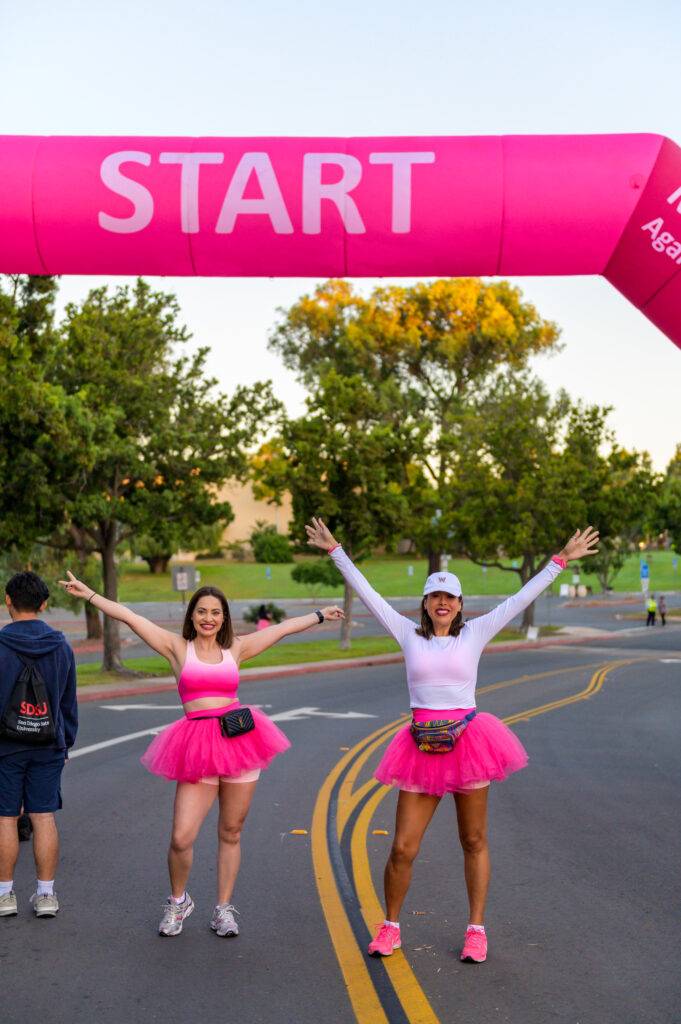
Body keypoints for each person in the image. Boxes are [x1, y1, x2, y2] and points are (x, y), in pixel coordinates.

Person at [305, 517, 599, 965]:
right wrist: (335, 551)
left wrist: (560, 560)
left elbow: (521, 598)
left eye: (450, 597)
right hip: (420, 746)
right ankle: (391, 927)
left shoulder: (476, 633)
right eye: (435, 597)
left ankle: (476, 930)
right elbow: (367, 591)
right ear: (425, 603)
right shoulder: (406, 633)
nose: (442, 603)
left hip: (469, 743)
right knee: (403, 846)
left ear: (460, 605)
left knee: (473, 840)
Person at [59, 571, 343, 938]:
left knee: (231, 831)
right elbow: (130, 616)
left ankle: (223, 909)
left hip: (239, 740)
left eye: (216, 612)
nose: (208, 618)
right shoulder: (177, 647)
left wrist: (319, 614)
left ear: (224, 618)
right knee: (181, 836)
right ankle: (178, 902)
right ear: (192, 616)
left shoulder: (236, 648)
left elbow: (283, 629)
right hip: (196, 744)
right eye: (202, 611)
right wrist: (91, 595)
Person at [0, 572, 78, 920]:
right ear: (44, 604)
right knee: (43, 816)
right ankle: (46, 895)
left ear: (8, 601)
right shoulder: (61, 646)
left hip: (5, 747)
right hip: (48, 745)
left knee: (4, 818)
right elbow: (67, 703)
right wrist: (65, 744)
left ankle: (5, 895)